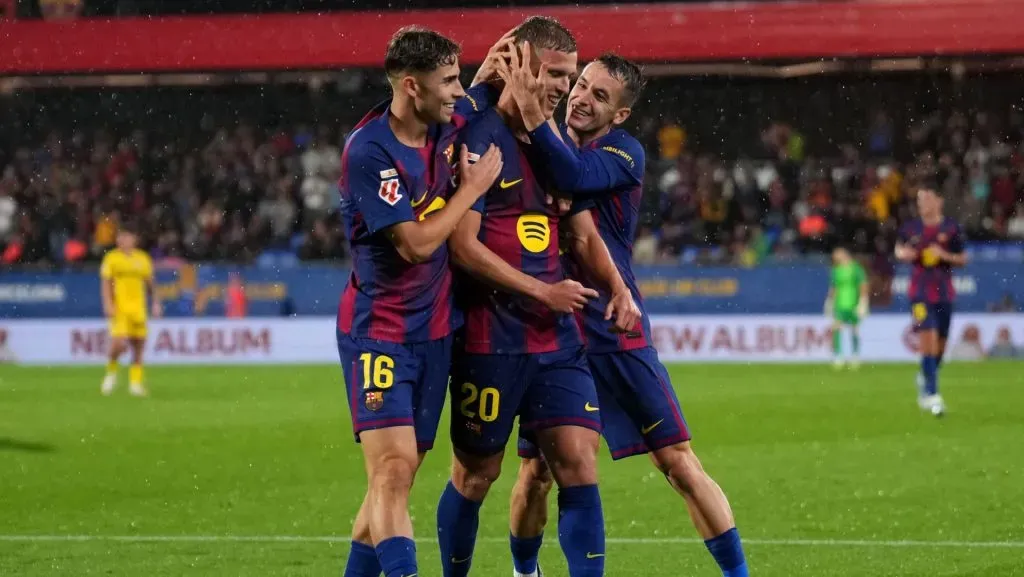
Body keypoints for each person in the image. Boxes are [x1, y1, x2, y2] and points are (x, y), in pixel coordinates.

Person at [499, 52, 751, 577]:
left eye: (599, 96)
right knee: (537, 471)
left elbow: (570, 171)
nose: (583, 99)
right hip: (553, 331)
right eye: (582, 86)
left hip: (616, 328)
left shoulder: (623, 153)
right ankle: (526, 572)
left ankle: (738, 574)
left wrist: (531, 115)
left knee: (678, 461)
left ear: (620, 115)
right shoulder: (541, 143)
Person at [437, 17, 630, 577]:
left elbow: (583, 230)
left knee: (577, 462)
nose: (564, 89)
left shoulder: (558, 147)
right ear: (517, 64)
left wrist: (616, 289)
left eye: (570, 77)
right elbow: (463, 248)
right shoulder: (479, 137)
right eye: (554, 74)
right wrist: (541, 290)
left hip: (556, 340)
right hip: (489, 338)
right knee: (476, 475)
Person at [335, 26, 504, 577]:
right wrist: (471, 191)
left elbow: (477, 96)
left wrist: (497, 64)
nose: (458, 92)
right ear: (412, 87)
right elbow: (415, 244)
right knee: (391, 470)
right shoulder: (370, 151)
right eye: (448, 81)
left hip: (434, 331)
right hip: (378, 330)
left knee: (396, 478)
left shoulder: (446, 117)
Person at [895, 185, 967, 416]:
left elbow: (963, 258)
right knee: (928, 337)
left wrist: (943, 255)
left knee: (940, 347)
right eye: (919, 200)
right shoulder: (911, 229)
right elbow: (899, 249)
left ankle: (925, 376)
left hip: (944, 293)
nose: (922, 204)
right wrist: (903, 254)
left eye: (926, 199)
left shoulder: (951, 228)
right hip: (919, 294)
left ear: (939, 201)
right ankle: (933, 396)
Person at [100, 224, 161, 397]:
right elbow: (106, 283)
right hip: (120, 308)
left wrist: (156, 302)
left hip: (139, 309)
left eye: (127, 237)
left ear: (134, 239)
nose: (123, 240)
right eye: (121, 237)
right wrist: (107, 303)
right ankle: (111, 373)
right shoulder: (112, 258)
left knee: (138, 346)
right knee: (118, 343)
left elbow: (151, 283)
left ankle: (135, 383)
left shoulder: (142, 259)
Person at [824, 247, 869, 369]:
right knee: (837, 328)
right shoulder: (836, 270)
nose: (835, 257)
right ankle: (839, 356)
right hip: (840, 305)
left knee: (854, 329)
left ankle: (855, 356)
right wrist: (829, 301)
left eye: (837, 254)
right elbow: (834, 287)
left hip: (854, 303)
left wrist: (863, 301)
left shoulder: (856, 269)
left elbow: (863, 285)